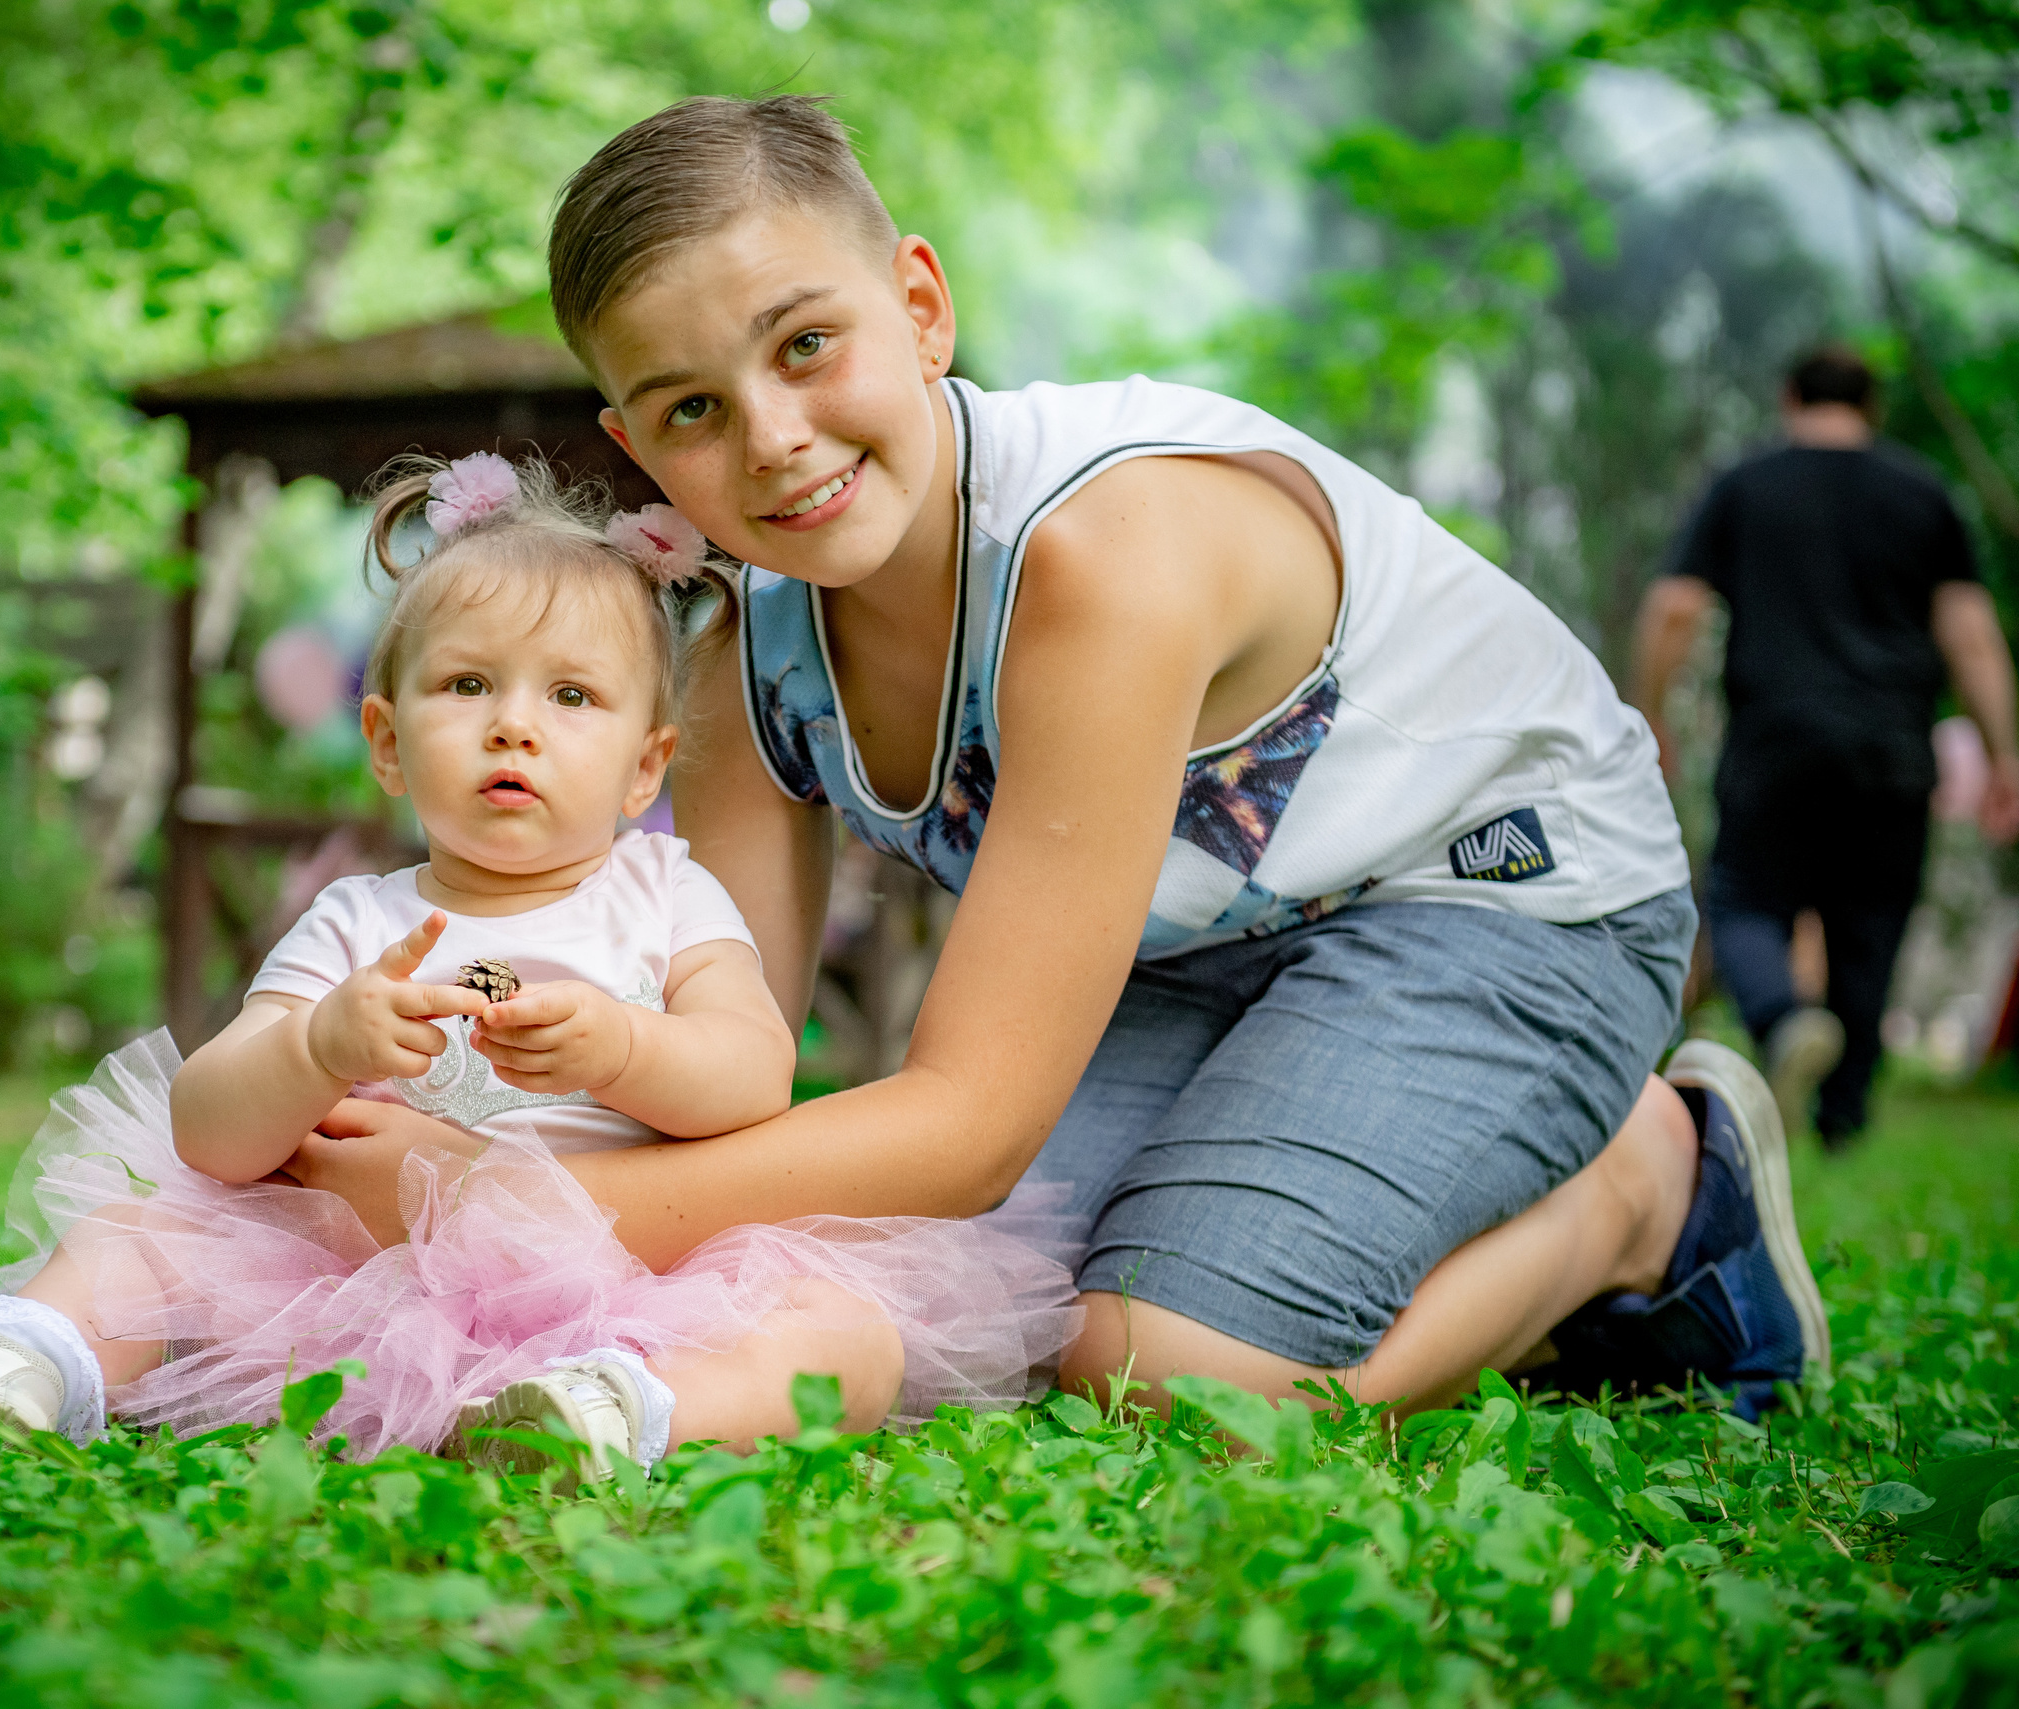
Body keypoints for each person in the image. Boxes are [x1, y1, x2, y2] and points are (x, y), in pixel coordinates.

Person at [281, 96, 1830, 1422]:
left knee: (1157, 1359)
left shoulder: (1104, 553)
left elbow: (964, 1126)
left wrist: (518, 1214)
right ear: (635, 446)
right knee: (979, 1302)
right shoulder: (737, 649)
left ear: (923, 306)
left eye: (808, 345)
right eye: (694, 407)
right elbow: (722, 1072)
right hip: (1193, 947)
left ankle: (1646, 1185)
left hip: (1500, 901)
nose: (772, 438)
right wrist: (439, 1121)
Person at [0, 453, 1081, 1479]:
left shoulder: (667, 896)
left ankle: (628, 1406)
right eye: (469, 686)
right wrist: (319, 1048)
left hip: (639, 1268)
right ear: (389, 745)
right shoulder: (359, 920)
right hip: (363, 1269)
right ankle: (19, 1356)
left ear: (643, 768)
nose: (516, 722)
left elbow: (752, 1074)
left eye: (571, 697)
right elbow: (212, 1127)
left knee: (834, 1323)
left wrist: (624, 1048)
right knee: (141, 1239)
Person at [1633, 346, 2019, 1147]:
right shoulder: (1921, 491)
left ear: (1788, 396)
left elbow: (1673, 609)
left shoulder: (1746, 483)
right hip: (1893, 747)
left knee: (1746, 900)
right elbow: (1973, 638)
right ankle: (1842, 1118)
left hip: (1777, 739)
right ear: (1872, 406)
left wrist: (1651, 718)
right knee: (1869, 926)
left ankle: (1781, 1016)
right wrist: (2004, 754)